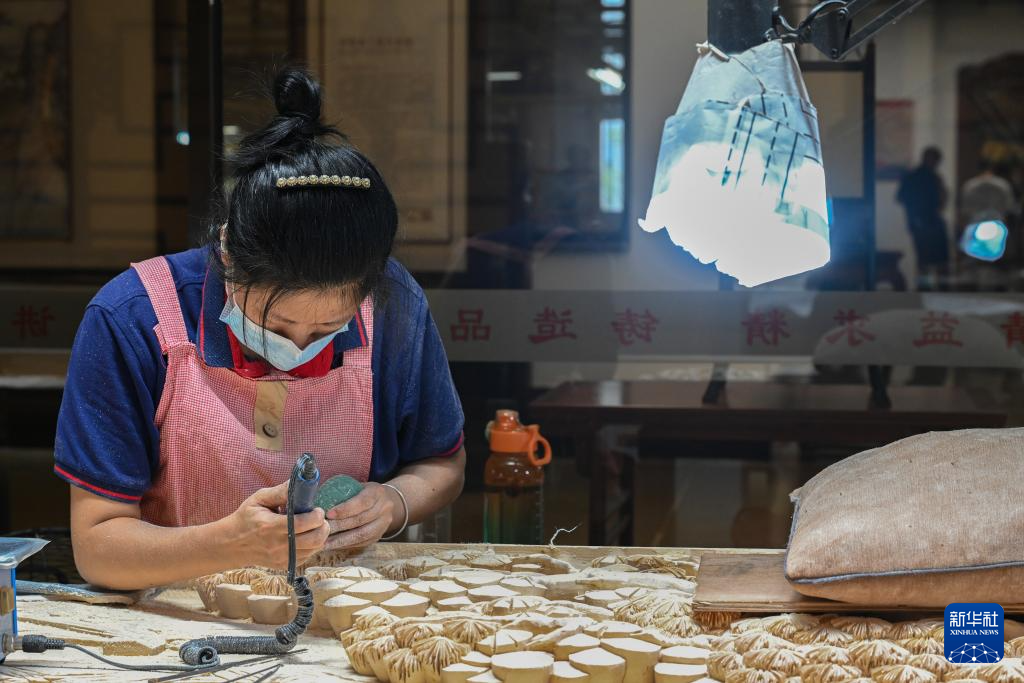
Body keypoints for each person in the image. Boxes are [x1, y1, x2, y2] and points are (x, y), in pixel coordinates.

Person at [54, 68, 466, 590]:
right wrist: (229, 544)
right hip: (174, 612)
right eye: (276, 322)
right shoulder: (134, 317)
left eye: (329, 325)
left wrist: (393, 502)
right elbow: (98, 547)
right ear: (227, 252)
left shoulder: (393, 305)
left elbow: (443, 463)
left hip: (340, 602)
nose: (298, 346)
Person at [897, 147, 949, 286]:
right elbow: (902, 198)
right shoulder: (917, 177)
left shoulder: (927, 177)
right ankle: (930, 287)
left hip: (926, 222)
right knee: (929, 260)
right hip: (923, 222)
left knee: (931, 260)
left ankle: (930, 287)